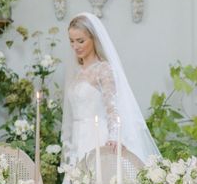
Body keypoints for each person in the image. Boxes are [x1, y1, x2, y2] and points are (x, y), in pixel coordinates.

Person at [60, 12, 160, 171]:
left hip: (98, 137)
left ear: (94, 39)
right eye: (71, 41)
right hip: (77, 139)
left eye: (80, 41)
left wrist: (114, 137)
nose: (75, 46)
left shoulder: (103, 69)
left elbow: (112, 107)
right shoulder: (76, 72)